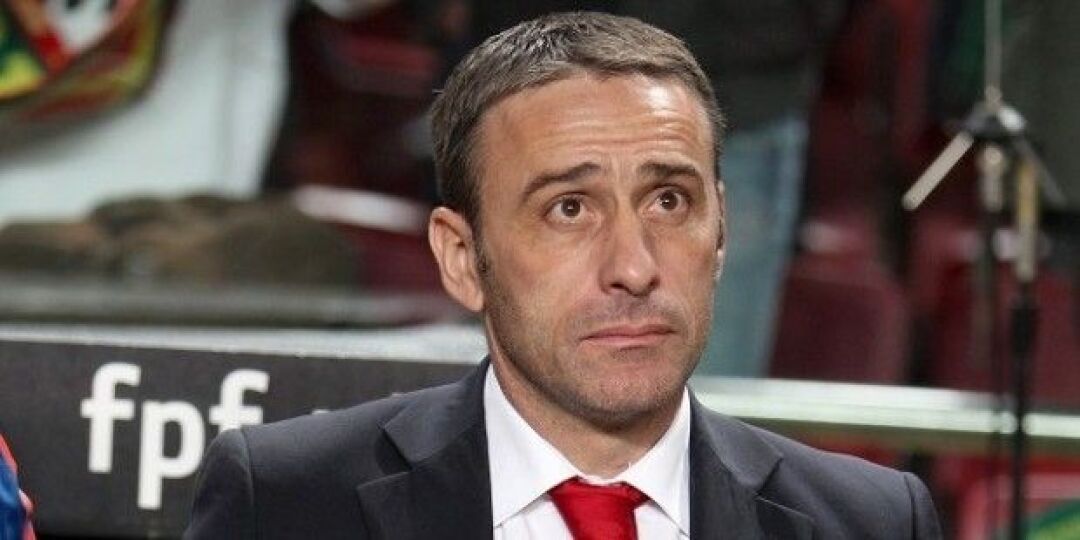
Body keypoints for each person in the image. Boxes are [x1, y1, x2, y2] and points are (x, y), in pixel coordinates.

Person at [185, 12, 942, 539]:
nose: (634, 268)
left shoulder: (872, 523)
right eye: (569, 209)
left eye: (669, 201)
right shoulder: (286, 504)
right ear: (461, 258)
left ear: (722, 232)